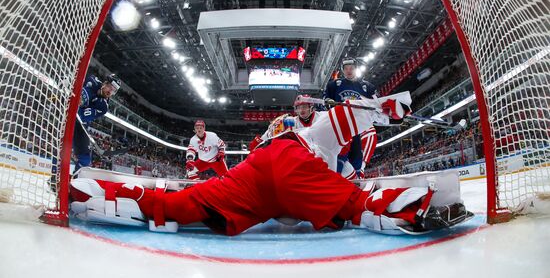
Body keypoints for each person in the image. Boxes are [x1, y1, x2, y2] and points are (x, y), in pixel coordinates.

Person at [70, 94, 472, 235]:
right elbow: (347, 118)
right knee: (355, 204)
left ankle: (107, 197)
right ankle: (418, 206)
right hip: (292, 170)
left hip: (260, 178)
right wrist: (384, 108)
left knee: (182, 206)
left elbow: (346, 118)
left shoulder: (287, 130)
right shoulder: (317, 129)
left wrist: (379, 110)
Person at [323, 58, 378, 176]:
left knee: (357, 154)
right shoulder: (335, 84)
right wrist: (328, 101)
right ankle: (336, 177)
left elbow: (376, 103)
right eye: (346, 69)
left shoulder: (365, 86)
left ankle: (357, 176)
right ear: (343, 71)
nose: (349, 71)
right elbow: (325, 100)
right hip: (341, 125)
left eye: (351, 68)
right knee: (340, 153)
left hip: (358, 126)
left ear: (355, 69)